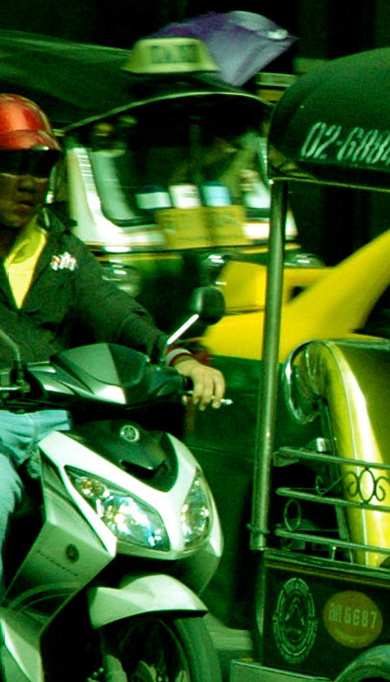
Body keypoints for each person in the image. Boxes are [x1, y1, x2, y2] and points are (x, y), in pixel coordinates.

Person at [0, 94, 226, 551]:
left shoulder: (62, 249)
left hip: (61, 425)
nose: (29, 183)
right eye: (14, 165)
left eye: (41, 168)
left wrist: (177, 356)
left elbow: (114, 310)